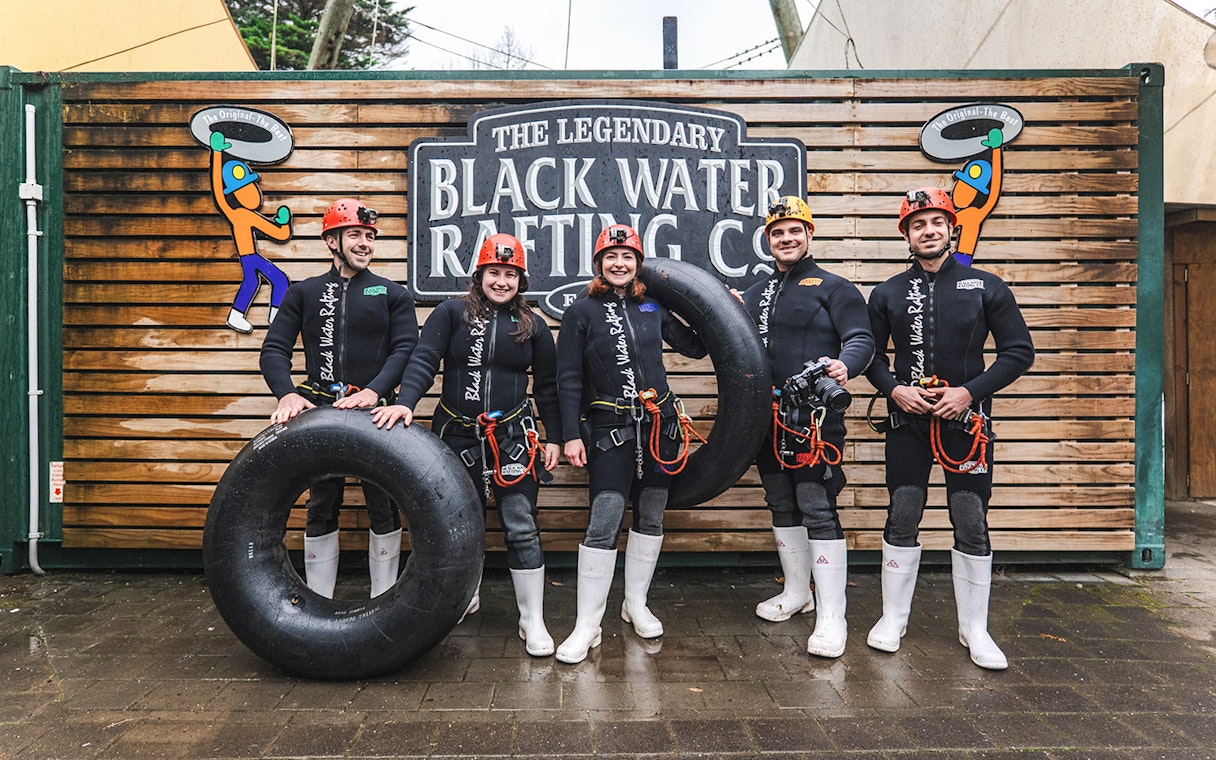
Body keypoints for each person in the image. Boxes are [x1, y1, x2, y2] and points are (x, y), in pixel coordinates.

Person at [865, 187, 1034, 670]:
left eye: (936, 222)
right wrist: (894, 389)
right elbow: (871, 355)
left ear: (951, 228)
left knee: (970, 519)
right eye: (918, 224)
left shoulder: (986, 286)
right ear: (907, 234)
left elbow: (1019, 352)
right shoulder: (887, 292)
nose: (928, 230)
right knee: (902, 514)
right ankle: (893, 618)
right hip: (908, 424)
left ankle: (974, 629)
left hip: (966, 425)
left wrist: (969, 393)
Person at [371, 233, 562, 657]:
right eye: (494, 272)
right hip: (455, 434)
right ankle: (464, 596)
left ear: (521, 279)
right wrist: (404, 404)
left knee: (520, 523)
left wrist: (557, 436)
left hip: (513, 437)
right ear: (480, 275)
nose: (501, 281)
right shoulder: (450, 313)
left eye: (510, 274)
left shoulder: (534, 325)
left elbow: (548, 387)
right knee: (458, 522)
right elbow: (423, 360)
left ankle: (532, 619)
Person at [554, 224, 707, 664]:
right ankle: (588, 624)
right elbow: (568, 379)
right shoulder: (580, 312)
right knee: (603, 520)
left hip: (660, 428)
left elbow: (696, 348)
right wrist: (569, 435)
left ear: (638, 263)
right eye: (611, 256)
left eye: (628, 256)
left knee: (652, 514)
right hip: (609, 432)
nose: (619, 264)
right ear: (599, 263)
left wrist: (723, 306)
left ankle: (635, 603)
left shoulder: (652, 307)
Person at [259, 198, 419, 599]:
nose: (365, 243)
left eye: (369, 236)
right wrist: (288, 394)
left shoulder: (393, 293)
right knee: (321, 501)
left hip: (374, 412)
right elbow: (273, 350)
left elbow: (406, 350)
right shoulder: (305, 292)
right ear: (332, 240)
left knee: (382, 502)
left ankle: (384, 600)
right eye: (355, 235)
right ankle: (319, 602)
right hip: (320, 410)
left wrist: (373, 391)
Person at [740, 196, 874, 659]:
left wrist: (845, 366)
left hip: (815, 417)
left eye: (795, 230)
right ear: (767, 240)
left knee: (816, 505)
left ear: (810, 234)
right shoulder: (754, 293)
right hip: (765, 418)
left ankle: (832, 615)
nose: (787, 238)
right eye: (778, 233)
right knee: (779, 500)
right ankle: (798, 593)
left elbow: (861, 339)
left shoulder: (836, 288)